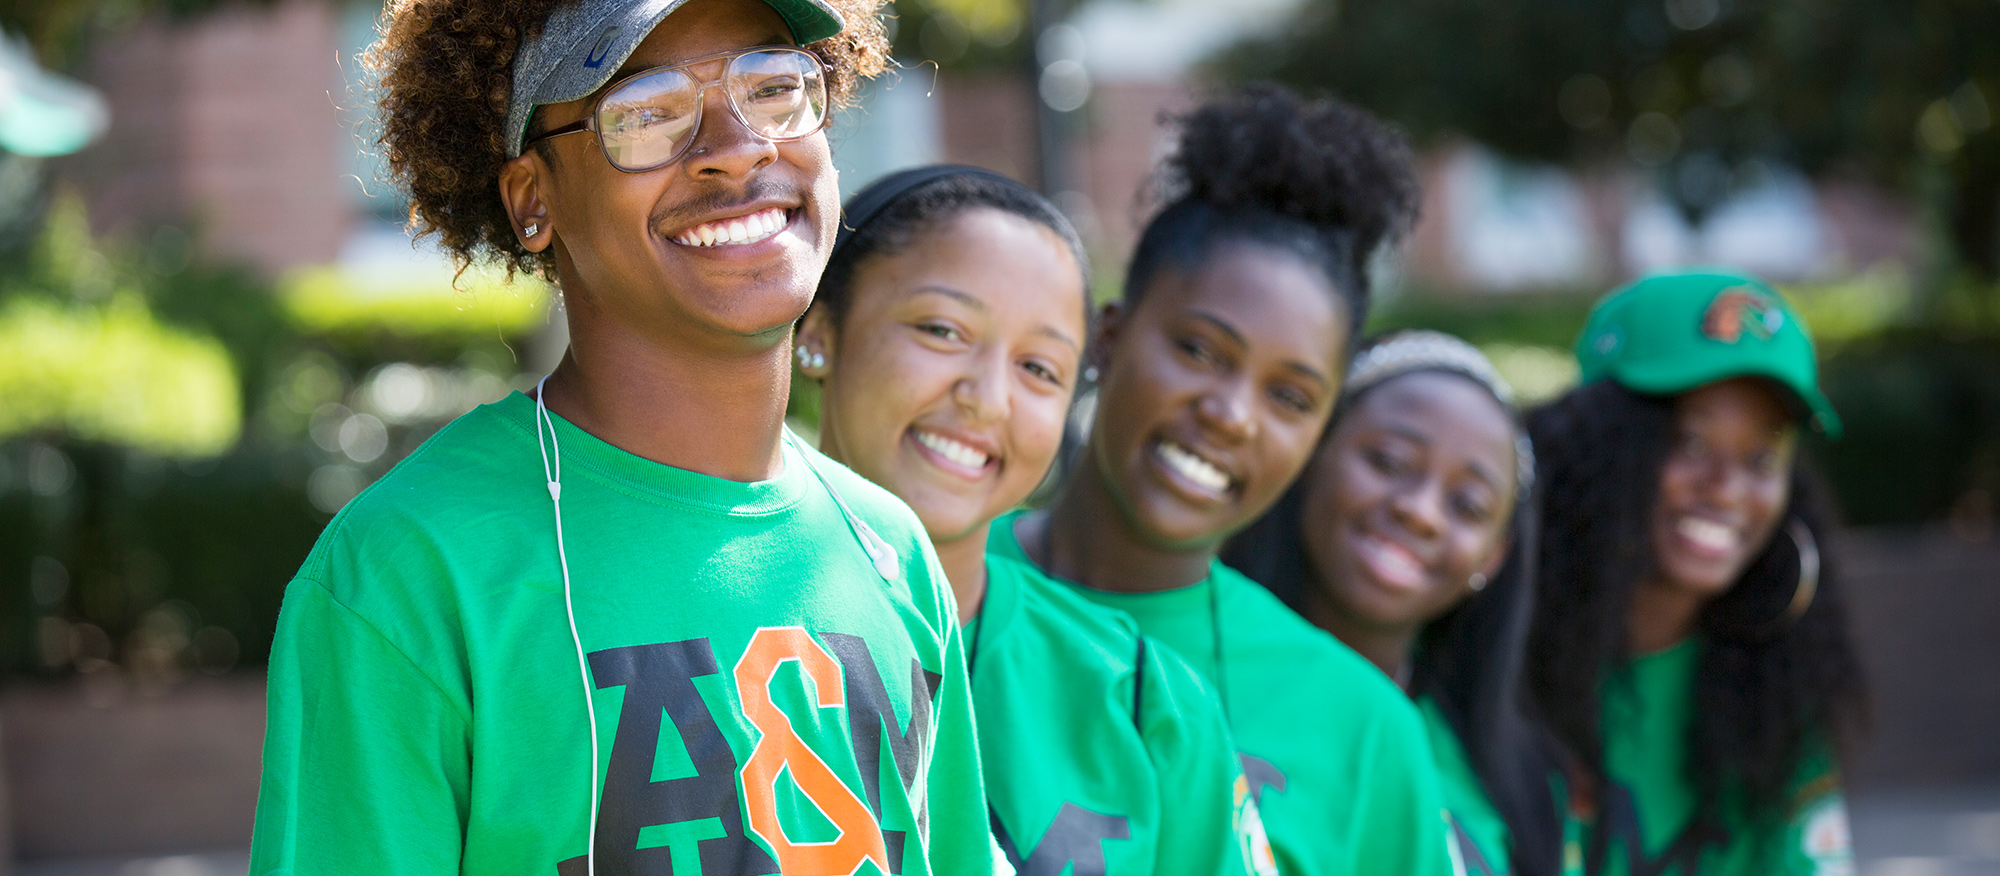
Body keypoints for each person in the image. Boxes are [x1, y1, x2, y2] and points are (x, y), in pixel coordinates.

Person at [250, 1, 997, 873]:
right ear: (534, 199)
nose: (738, 145)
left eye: (774, 88)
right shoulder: (408, 575)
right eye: (646, 111)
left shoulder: (891, 551)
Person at [990, 84, 1458, 876]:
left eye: (1289, 397)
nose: (1233, 415)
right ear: (1106, 338)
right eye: (1200, 351)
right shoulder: (925, 584)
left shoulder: (1363, 730)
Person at [796, 164, 1269, 876]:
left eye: (1040, 369)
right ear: (821, 331)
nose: (988, 400)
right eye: (942, 330)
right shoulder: (689, 636)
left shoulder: (1143, 703)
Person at [1526, 270, 1867, 875]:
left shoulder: (1775, 693)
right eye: (1688, 443)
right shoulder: (1494, 655)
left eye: (1761, 457)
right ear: (1595, 446)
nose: (1728, 489)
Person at [1224, 331, 1574, 876]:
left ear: (1495, 556)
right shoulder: (1183, 670)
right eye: (1389, 462)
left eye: (1467, 504)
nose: (1421, 512)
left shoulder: (1514, 780)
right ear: (1314, 451)